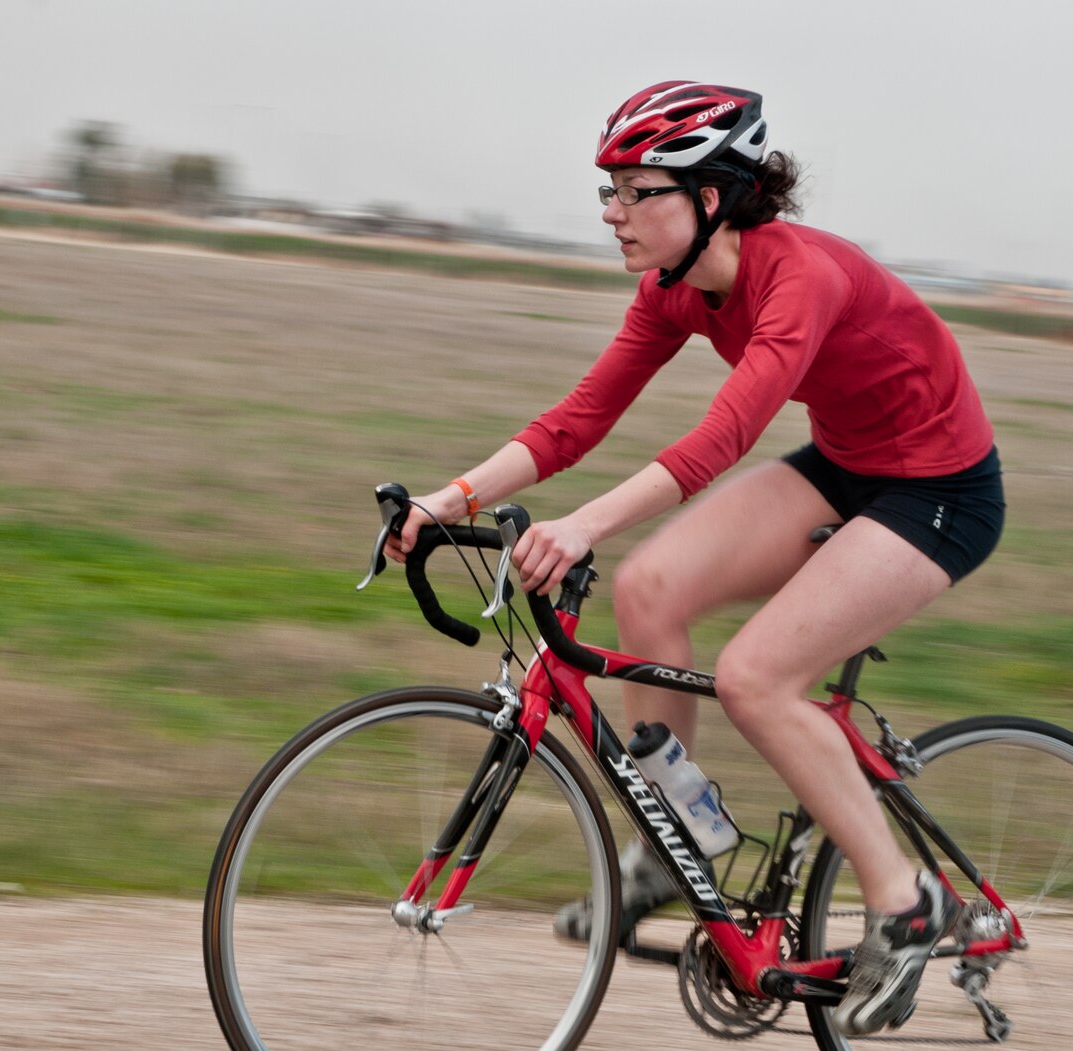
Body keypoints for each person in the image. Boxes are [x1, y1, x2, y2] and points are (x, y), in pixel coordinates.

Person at [385, 81, 1005, 1036]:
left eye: (638, 191)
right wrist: (447, 498)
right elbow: (576, 422)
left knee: (758, 677)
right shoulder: (674, 290)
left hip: (940, 492)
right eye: (609, 191)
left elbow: (720, 439)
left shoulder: (798, 276)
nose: (612, 213)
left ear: (711, 196)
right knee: (650, 585)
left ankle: (907, 901)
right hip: (847, 465)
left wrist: (583, 523)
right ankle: (679, 841)